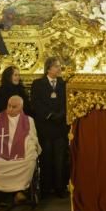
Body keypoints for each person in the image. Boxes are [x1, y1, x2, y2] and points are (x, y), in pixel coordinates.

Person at [0, 95, 40, 211]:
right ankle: (6, 193)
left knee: (30, 160)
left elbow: (32, 139)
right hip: (1, 154)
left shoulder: (28, 121)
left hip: (21, 154)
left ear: (21, 108)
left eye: (14, 107)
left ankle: (19, 191)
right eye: (9, 106)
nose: (10, 109)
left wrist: (29, 148)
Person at [31, 56, 68, 198]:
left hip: (59, 127)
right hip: (45, 126)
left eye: (59, 66)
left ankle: (59, 187)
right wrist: (49, 115)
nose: (59, 69)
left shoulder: (63, 84)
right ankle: (46, 187)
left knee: (60, 158)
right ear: (48, 68)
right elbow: (36, 103)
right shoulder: (38, 84)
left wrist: (61, 115)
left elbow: (66, 102)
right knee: (46, 157)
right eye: (56, 66)